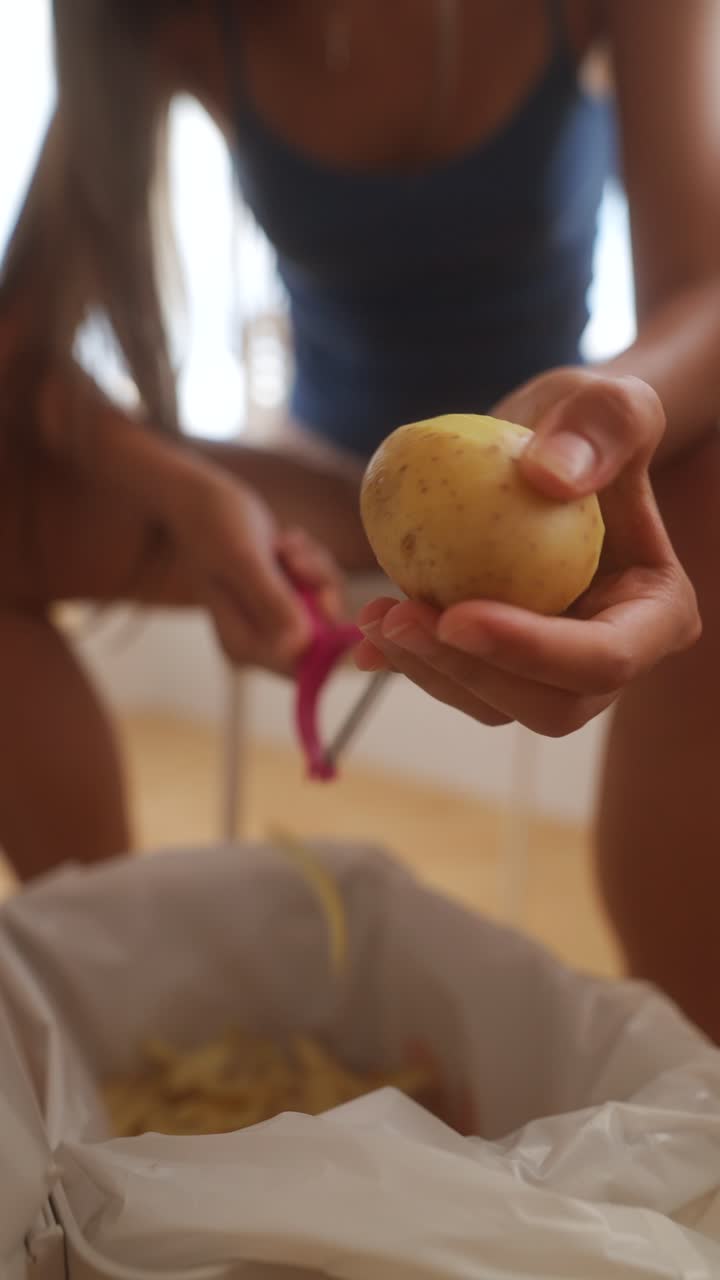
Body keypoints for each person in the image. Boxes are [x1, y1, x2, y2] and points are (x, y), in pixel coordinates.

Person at [0, 1, 718, 1036]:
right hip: (329, 482)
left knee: (713, 486)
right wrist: (185, 489)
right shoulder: (185, 21)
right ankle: (125, 993)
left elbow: (703, 288)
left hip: (552, 458)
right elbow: (22, 331)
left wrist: (616, 405)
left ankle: (690, 1082)